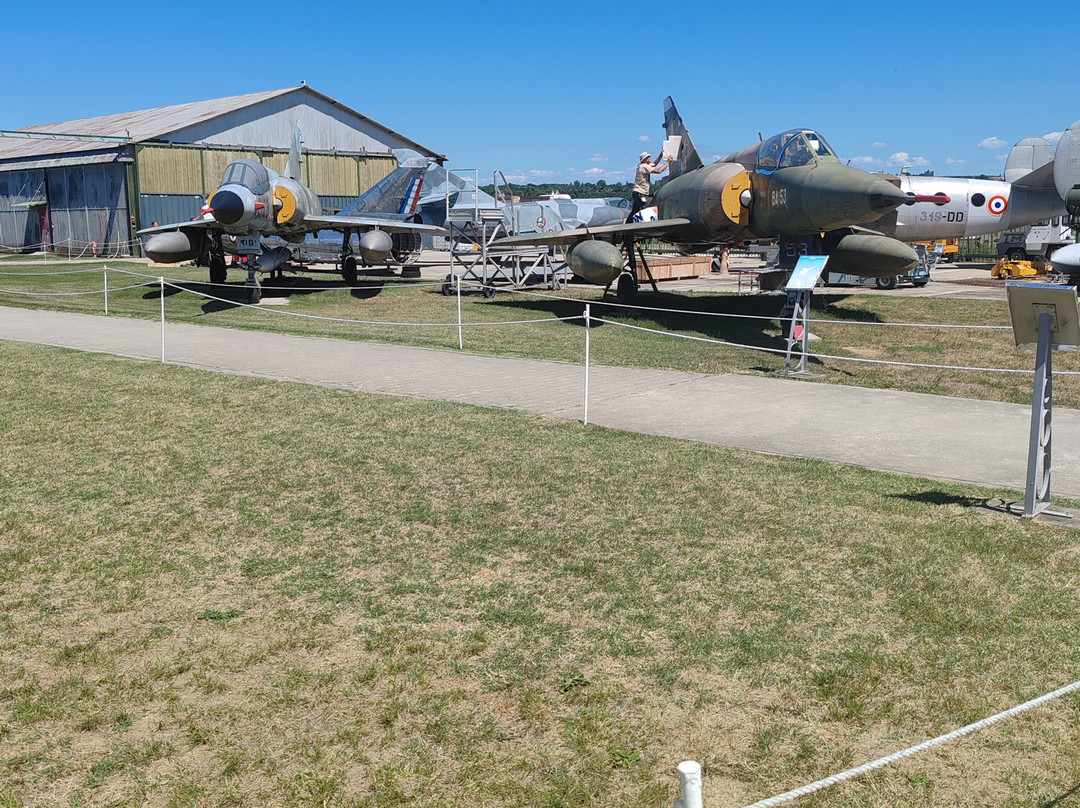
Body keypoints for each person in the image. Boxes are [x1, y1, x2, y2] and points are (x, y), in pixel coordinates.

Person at [629, 151, 668, 221]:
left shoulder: (641, 165)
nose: (650, 157)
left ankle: (627, 225)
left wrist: (661, 155)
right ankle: (650, 224)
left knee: (635, 211)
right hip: (640, 193)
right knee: (647, 208)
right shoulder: (644, 166)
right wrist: (668, 162)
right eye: (647, 157)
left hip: (637, 193)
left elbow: (655, 164)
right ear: (644, 160)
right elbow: (659, 171)